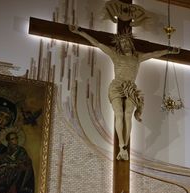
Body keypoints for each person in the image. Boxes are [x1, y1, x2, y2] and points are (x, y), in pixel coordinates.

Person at [69, 25, 180, 160]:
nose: (125, 44)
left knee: (128, 114)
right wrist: (80, 32)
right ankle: (121, 145)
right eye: (122, 43)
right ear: (119, 46)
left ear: (131, 43)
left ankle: (125, 147)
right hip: (116, 86)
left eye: (127, 42)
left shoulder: (137, 57)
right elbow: (98, 44)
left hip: (131, 88)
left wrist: (169, 50)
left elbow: (153, 54)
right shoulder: (115, 55)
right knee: (119, 114)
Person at [0, 128, 35, 193]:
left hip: (15, 170)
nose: (15, 141)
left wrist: (13, 164)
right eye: (12, 139)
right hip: (4, 169)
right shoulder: (5, 149)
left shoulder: (21, 150)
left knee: (7, 169)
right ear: (8, 141)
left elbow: (25, 162)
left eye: (16, 138)